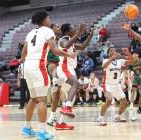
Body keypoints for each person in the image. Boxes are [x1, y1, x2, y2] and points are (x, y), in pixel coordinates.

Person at [21, 10, 76, 139]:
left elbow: (23, 53)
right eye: (48, 18)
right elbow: (55, 50)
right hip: (38, 66)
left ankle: (27, 129)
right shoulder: (48, 31)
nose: (50, 20)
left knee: (33, 98)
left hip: (27, 66)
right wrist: (68, 54)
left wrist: (26, 64)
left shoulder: (30, 33)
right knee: (42, 100)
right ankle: (42, 131)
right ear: (43, 20)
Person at [47, 23, 93, 130]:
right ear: (68, 31)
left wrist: (90, 36)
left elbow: (82, 46)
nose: (75, 29)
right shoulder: (64, 39)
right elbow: (66, 45)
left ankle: (60, 122)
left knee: (71, 98)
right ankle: (64, 108)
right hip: (64, 67)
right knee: (75, 84)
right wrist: (78, 33)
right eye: (73, 28)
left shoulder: (71, 41)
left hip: (70, 69)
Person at [97, 47, 133, 126]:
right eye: (111, 51)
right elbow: (104, 66)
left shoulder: (120, 61)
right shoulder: (106, 61)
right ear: (108, 53)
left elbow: (132, 62)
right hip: (107, 85)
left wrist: (128, 53)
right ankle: (100, 118)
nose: (113, 51)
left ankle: (117, 116)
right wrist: (112, 58)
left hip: (116, 85)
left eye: (114, 50)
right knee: (109, 100)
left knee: (125, 103)